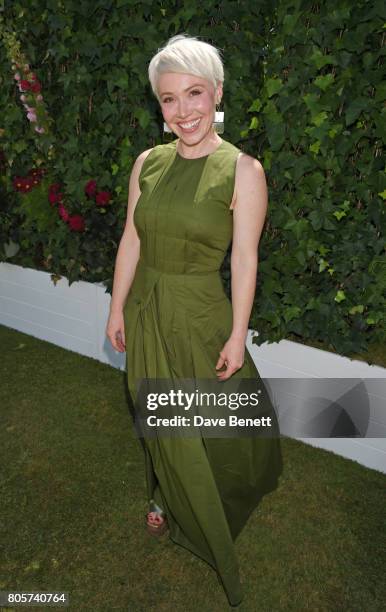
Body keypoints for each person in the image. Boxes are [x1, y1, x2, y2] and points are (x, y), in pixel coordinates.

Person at [106, 33, 283, 607]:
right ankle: (167, 496)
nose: (183, 111)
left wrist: (236, 333)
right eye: (168, 99)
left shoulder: (242, 169)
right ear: (159, 105)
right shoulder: (148, 163)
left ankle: (232, 484)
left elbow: (245, 258)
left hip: (200, 311)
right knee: (154, 408)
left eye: (194, 93)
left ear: (217, 93)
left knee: (217, 416)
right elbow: (132, 236)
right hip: (147, 308)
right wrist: (116, 305)